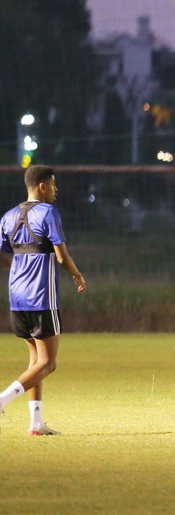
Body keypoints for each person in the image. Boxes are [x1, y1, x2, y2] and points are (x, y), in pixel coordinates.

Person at [0, 165, 87, 435]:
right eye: (53, 184)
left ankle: (36, 423)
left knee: (35, 361)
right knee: (48, 363)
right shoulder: (48, 213)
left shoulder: (8, 216)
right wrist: (77, 275)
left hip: (17, 298)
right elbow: (61, 256)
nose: (56, 189)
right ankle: (2, 399)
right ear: (41, 186)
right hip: (41, 297)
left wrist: (19, 265)